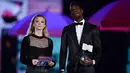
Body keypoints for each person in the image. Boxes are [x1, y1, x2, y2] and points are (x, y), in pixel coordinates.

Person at [59, 2, 102, 73]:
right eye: (72, 10)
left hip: (88, 68)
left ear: (82, 11)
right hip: (72, 67)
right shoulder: (67, 29)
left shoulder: (93, 28)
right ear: (70, 13)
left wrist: (93, 61)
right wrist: (62, 69)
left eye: (76, 9)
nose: (74, 11)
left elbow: (98, 48)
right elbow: (63, 50)